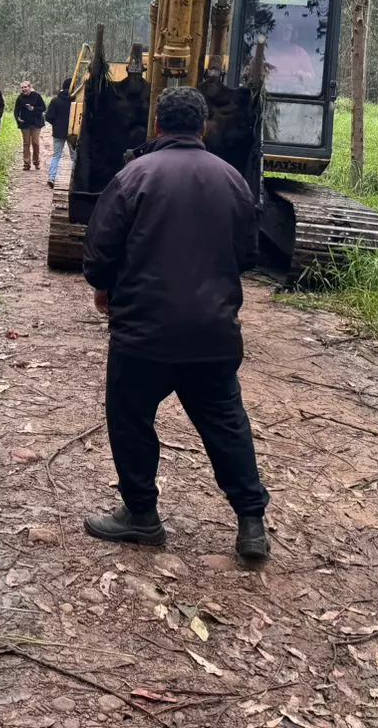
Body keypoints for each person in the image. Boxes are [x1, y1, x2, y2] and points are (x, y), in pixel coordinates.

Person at [79, 86, 270, 562]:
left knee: (130, 418)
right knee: (226, 424)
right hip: (213, 334)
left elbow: (99, 252)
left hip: (143, 333)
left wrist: (105, 289)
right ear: (203, 127)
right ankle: (251, 524)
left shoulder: (133, 176)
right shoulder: (233, 181)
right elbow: (247, 254)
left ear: (158, 126)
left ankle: (141, 515)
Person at [46, 78, 73, 188]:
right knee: (74, 157)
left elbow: (48, 117)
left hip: (58, 132)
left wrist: (55, 124)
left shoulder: (55, 100)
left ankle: (51, 177)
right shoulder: (76, 100)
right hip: (73, 132)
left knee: (56, 156)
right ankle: (74, 180)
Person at [13, 81, 47, 171]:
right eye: (22, 87)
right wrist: (18, 119)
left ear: (30, 87)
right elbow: (16, 111)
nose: (23, 89)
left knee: (35, 143)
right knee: (26, 143)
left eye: (25, 87)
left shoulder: (36, 96)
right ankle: (26, 163)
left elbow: (43, 108)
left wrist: (33, 109)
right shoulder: (20, 98)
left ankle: (36, 161)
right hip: (25, 123)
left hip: (36, 123)